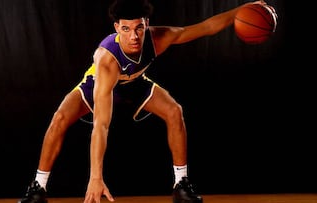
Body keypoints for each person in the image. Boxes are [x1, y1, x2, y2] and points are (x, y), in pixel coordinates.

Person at [18, 0, 264, 203]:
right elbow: (101, 126)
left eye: (139, 28)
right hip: (100, 85)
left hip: (135, 83)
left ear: (147, 25)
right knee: (60, 118)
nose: (134, 36)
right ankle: (38, 189)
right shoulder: (106, 60)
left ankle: (181, 185)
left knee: (174, 111)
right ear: (117, 28)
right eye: (126, 29)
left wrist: (241, 11)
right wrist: (96, 177)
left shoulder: (159, 38)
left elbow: (206, 27)